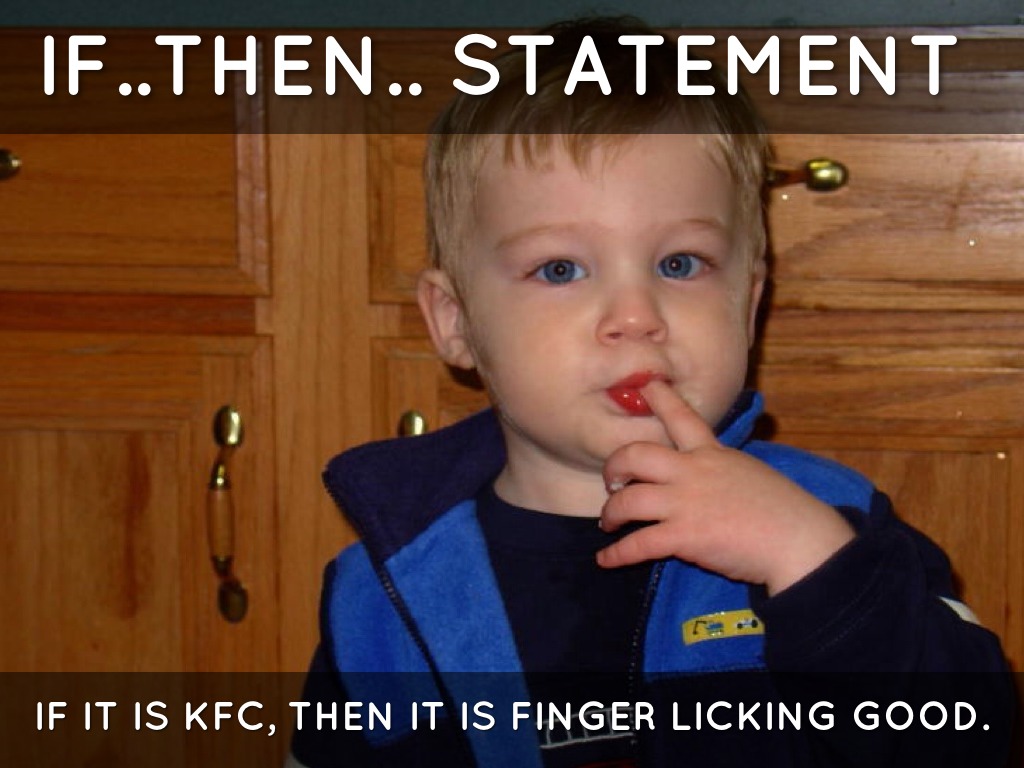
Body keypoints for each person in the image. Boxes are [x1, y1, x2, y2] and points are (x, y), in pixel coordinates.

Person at [288, 17, 1014, 768]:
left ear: (749, 303)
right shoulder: (383, 590)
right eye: (561, 269)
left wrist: (811, 561)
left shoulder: (836, 522)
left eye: (679, 264)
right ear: (455, 321)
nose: (636, 316)